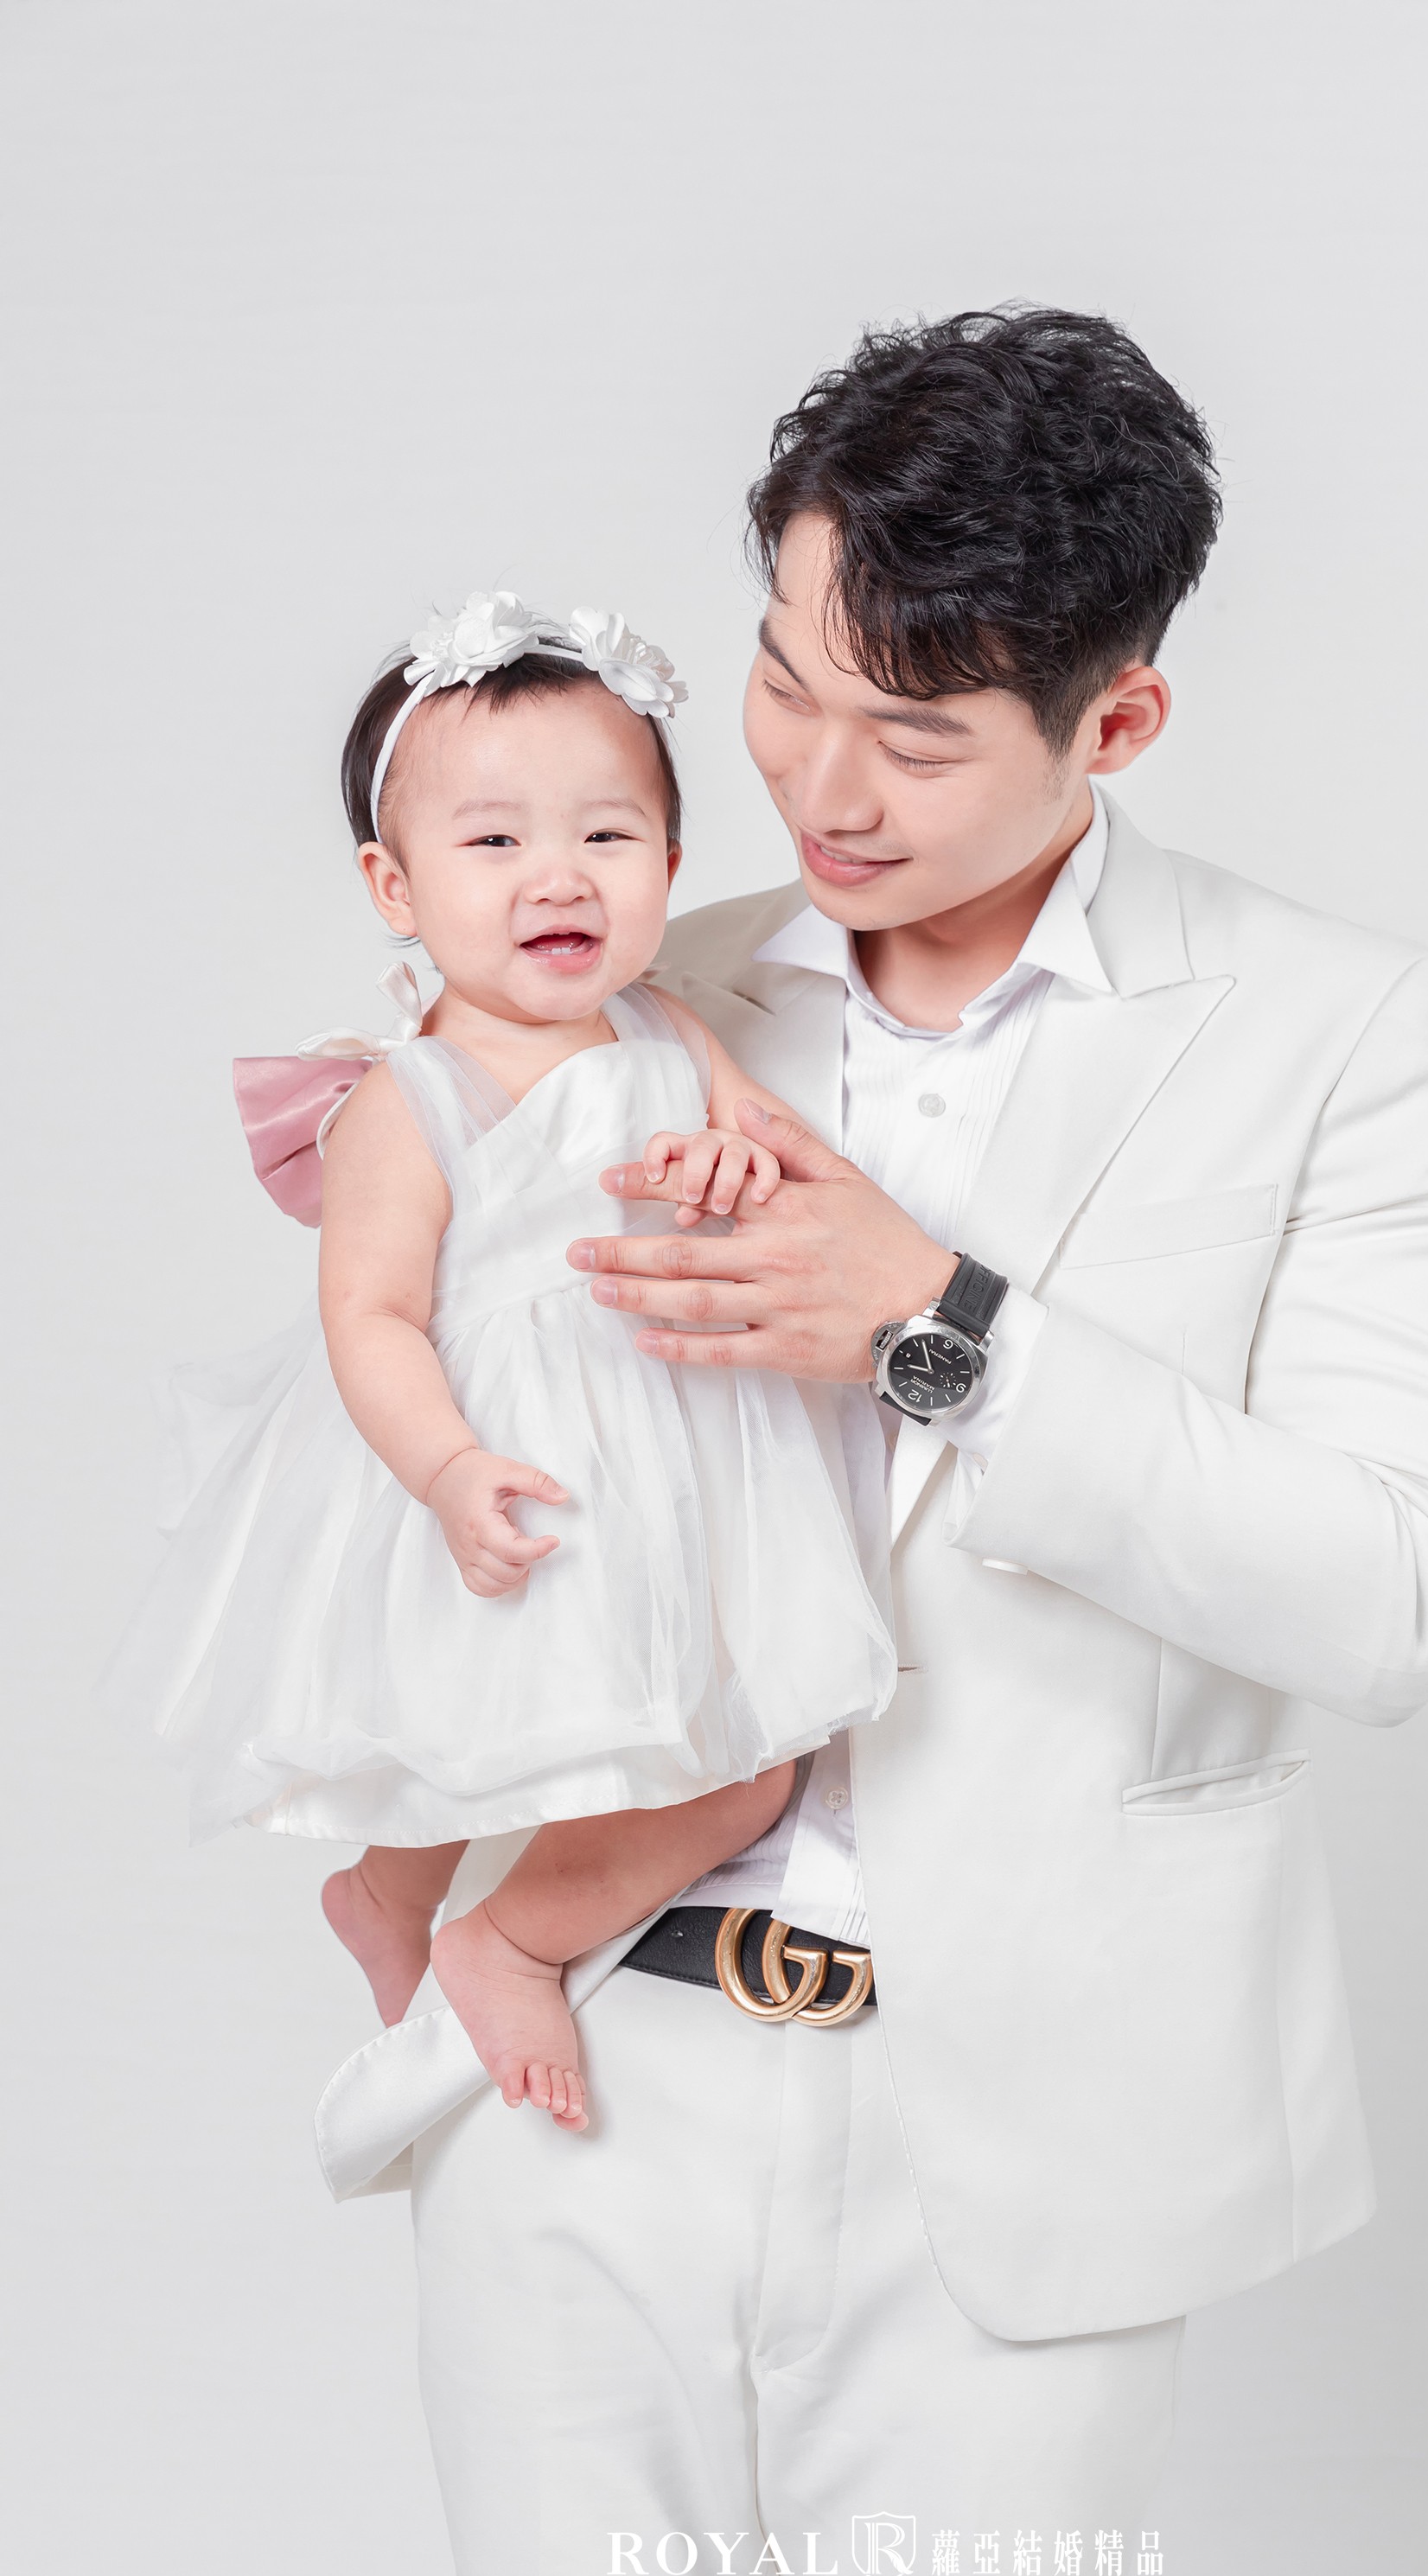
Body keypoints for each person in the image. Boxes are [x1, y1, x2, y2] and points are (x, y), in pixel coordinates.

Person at [326, 308, 1428, 2576]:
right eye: (786, 683)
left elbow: (1387, 1593)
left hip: (1033, 2140)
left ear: (1116, 722)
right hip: (585, 2070)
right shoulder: (623, 984)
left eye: (919, 735)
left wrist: (938, 1324)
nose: (819, 784)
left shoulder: (1347, 1029)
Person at [112, 594, 896, 2129]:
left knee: (743, 1762)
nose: (559, 876)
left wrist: (729, 1165)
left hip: (686, 1455)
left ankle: (464, 1917)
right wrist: (449, 1470)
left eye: (608, 836)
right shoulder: (406, 1099)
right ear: (393, 886)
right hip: (510, 1468)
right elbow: (370, 1317)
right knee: (461, 1724)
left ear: (672, 863)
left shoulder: (671, 1028)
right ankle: (451, 1917)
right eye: (493, 843)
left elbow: (766, 1156)